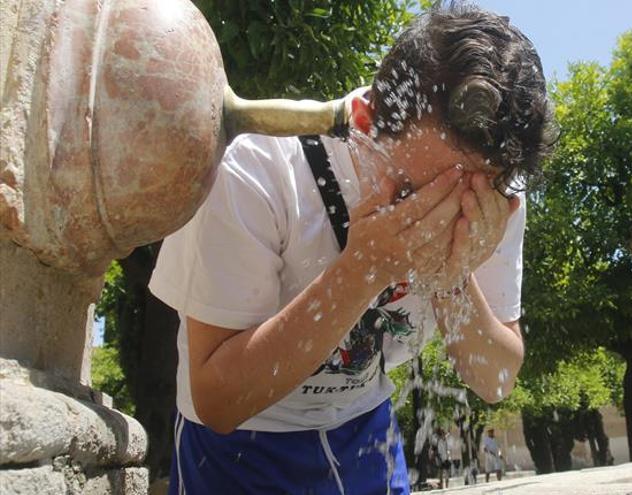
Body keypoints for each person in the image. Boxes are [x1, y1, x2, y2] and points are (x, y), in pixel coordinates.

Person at [149, 4, 555, 494]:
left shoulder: (491, 196)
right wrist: (362, 270)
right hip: (237, 452)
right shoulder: (257, 170)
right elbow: (217, 400)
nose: (437, 216)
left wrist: (452, 278)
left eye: (460, 203)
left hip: (367, 433)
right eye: (413, 191)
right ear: (365, 122)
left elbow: (494, 380)